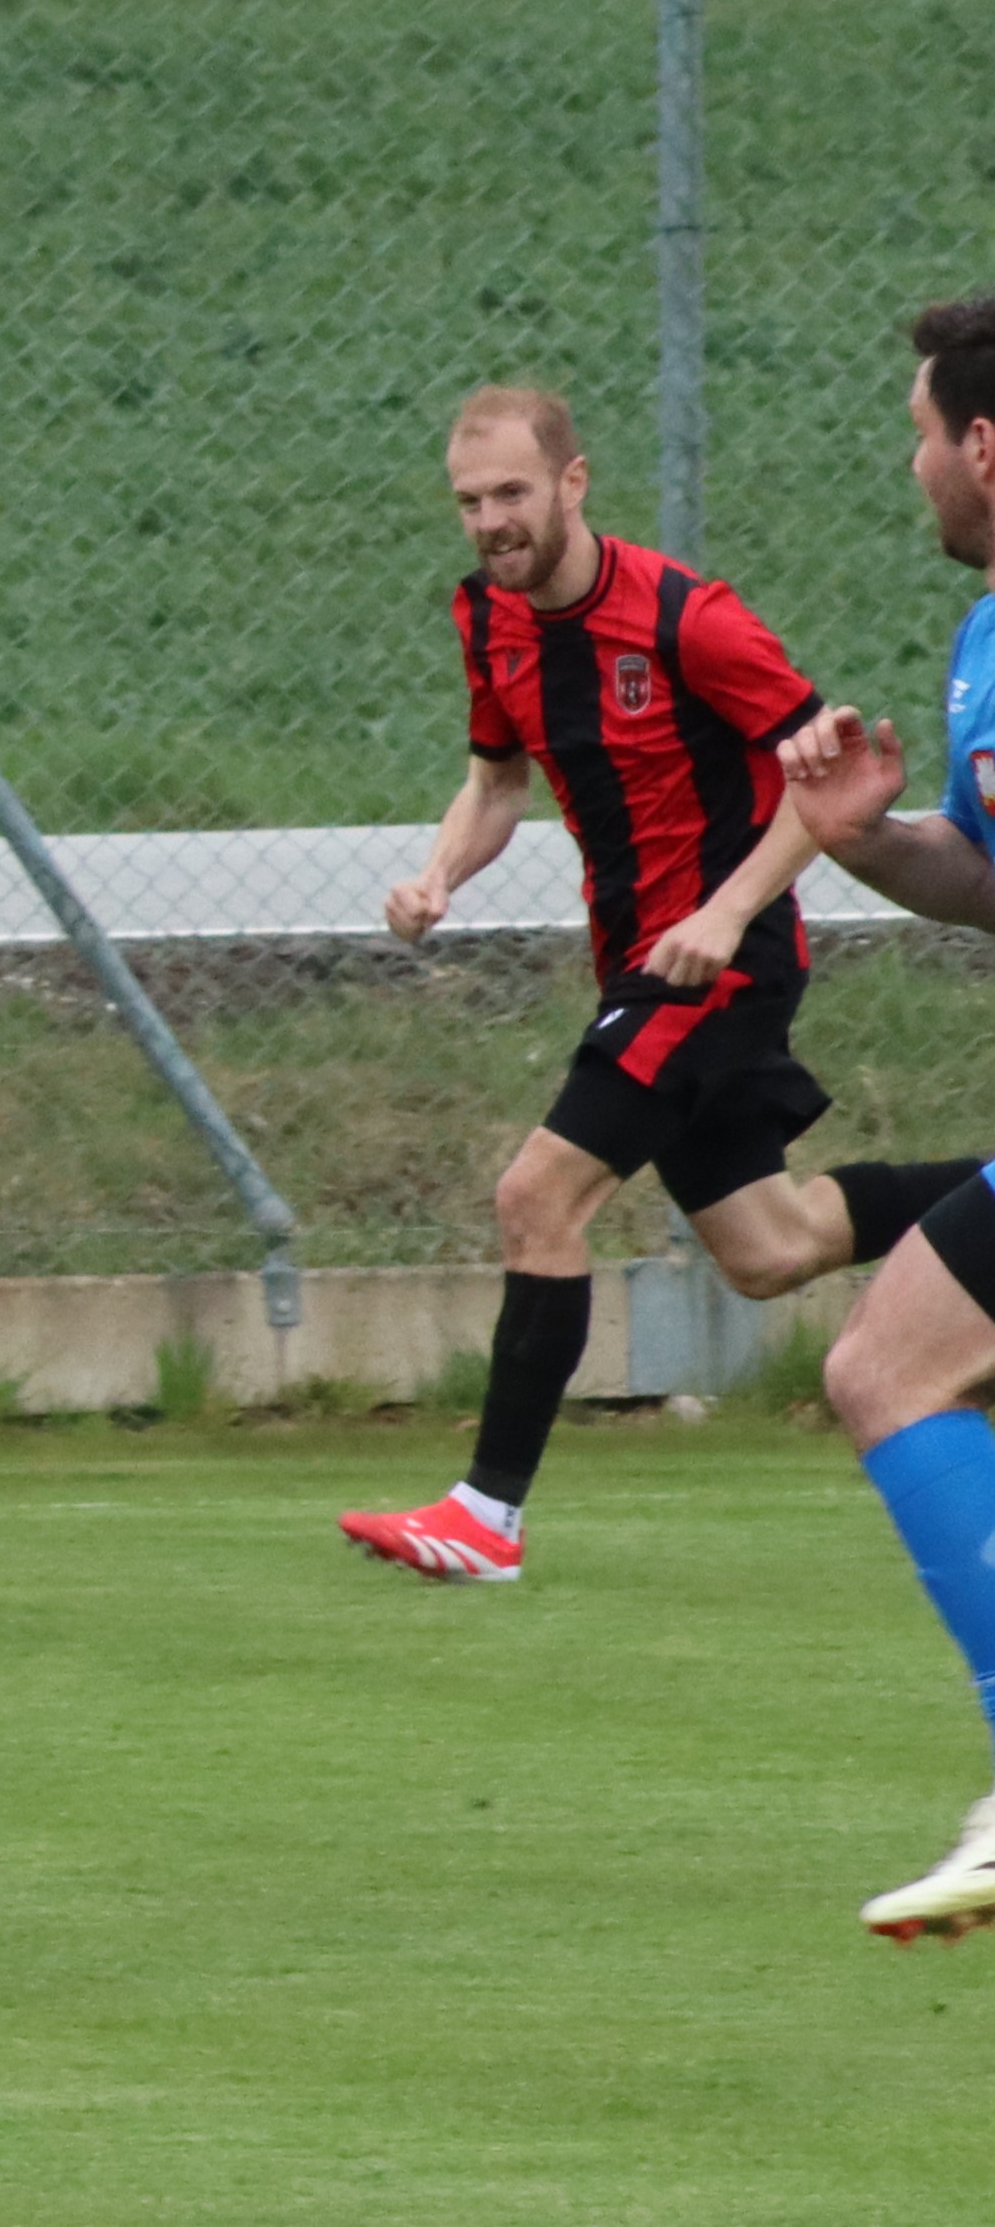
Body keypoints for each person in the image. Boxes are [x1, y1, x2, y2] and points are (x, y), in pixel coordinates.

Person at [337, 384, 979, 1584]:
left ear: (571, 483)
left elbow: (827, 784)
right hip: (637, 962)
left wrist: (724, 914)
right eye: (468, 500)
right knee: (770, 1245)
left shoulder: (687, 617)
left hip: (716, 967)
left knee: (536, 1196)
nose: (490, 520)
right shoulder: (486, 617)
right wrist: (433, 874)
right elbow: (494, 782)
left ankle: (485, 1513)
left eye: (511, 492)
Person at [767, 292, 995, 1937]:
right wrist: (865, 838)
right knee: (903, 1364)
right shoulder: (983, 641)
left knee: (888, 1364)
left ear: (983, 446)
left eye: (918, 436)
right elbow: (986, 881)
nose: (908, 466)